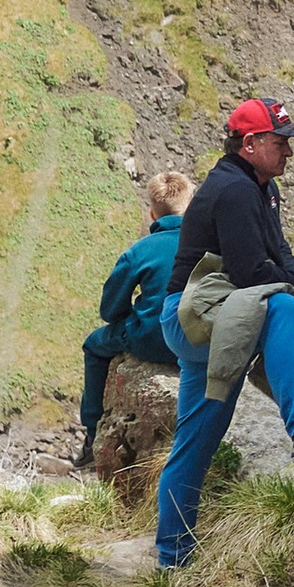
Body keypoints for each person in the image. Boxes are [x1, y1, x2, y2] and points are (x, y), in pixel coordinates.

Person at [153, 101, 294, 571]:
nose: (289, 150)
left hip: (212, 316)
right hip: (196, 316)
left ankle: (172, 563)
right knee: (280, 306)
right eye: (281, 141)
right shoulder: (234, 191)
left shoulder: (260, 187)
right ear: (250, 144)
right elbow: (253, 271)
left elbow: (276, 253)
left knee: (196, 442)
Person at [77, 172, 192, 460]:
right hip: (197, 341)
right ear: (191, 207)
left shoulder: (139, 251)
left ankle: (92, 433)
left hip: (150, 340)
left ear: (152, 213)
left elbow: (109, 310)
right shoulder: (211, 245)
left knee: (94, 345)